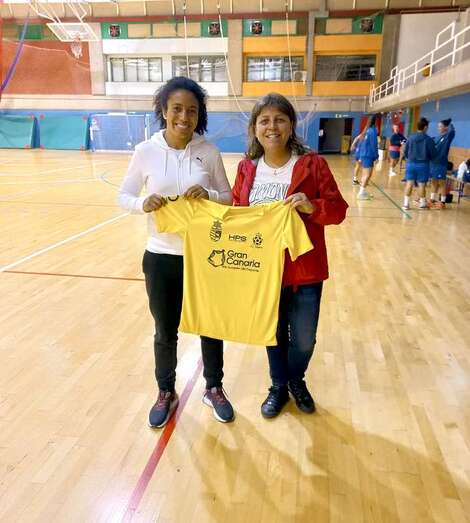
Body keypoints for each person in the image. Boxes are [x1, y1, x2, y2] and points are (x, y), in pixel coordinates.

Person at [118, 77, 234, 427]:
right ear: (164, 110)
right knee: (165, 331)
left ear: (200, 115)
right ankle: (166, 392)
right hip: (160, 256)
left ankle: (213, 387)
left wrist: (209, 195)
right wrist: (142, 204)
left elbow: (228, 198)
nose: (184, 117)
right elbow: (123, 195)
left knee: (210, 325)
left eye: (192, 111)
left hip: (205, 257)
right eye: (177, 109)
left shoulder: (208, 152)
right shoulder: (146, 151)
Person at [232, 93, 348, 418]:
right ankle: (279, 386)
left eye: (280, 119)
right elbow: (238, 211)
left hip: (305, 269)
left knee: (304, 339)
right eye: (265, 121)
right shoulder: (246, 168)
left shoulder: (312, 164)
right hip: (263, 269)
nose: (272, 127)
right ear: (255, 128)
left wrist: (312, 206)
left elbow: (338, 210)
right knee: (273, 333)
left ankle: (296, 379)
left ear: (291, 125)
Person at [402, 117, 437, 211]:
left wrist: (409, 158)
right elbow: (433, 154)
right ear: (425, 127)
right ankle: (422, 204)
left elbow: (405, 151)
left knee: (409, 183)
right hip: (423, 165)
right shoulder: (428, 139)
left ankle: (405, 204)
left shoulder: (410, 137)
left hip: (411, 164)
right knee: (421, 184)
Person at [429, 118, 456, 209]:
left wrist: (449, 124)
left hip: (441, 164)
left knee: (442, 183)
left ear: (445, 127)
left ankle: (442, 202)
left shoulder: (448, 137)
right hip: (433, 163)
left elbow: (452, 132)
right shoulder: (437, 137)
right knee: (434, 182)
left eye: (440, 126)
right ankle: (432, 200)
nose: (438, 128)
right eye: (438, 126)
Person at [357, 115, 379, 200]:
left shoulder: (366, 130)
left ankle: (362, 191)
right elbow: (374, 145)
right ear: (375, 121)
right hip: (368, 155)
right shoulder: (372, 131)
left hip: (364, 155)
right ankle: (361, 193)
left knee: (365, 174)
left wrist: (360, 155)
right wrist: (376, 156)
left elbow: (361, 143)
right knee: (367, 175)